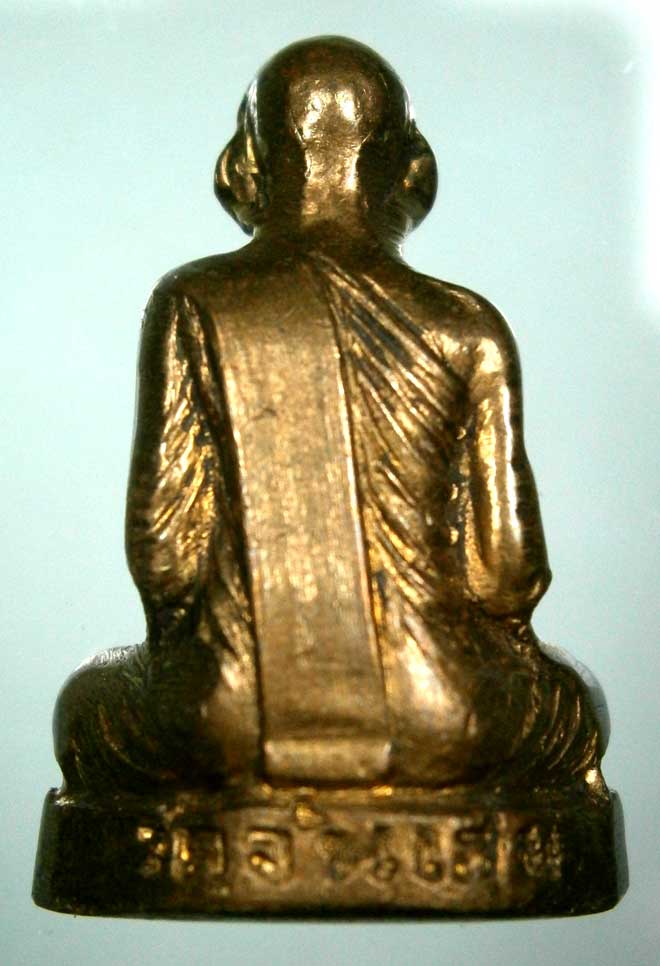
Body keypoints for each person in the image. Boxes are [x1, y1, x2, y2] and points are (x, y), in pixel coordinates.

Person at [54, 36, 603, 795]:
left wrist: (200, 659)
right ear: (412, 169)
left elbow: (165, 550)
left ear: (246, 165)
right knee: (576, 707)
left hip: (229, 716)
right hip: (445, 716)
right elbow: (509, 572)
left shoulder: (194, 300)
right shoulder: (467, 327)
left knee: (88, 703)